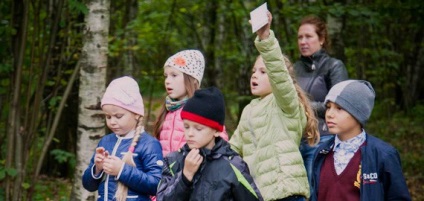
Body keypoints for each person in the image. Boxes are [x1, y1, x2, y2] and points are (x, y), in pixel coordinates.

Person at [229, 12, 319, 201]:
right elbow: (233, 149)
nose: (254, 75)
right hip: (258, 194)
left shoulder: (285, 102)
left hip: (286, 192)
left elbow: (278, 73)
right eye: (254, 71)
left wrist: (265, 39)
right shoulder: (249, 109)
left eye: (263, 72)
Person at [310, 80, 411, 201]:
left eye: (339, 108)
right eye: (328, 107)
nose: (329, 114)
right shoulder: (321, 152)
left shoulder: (383, 155)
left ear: (358, 113)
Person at [156, 87, 263, 201]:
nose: (190, 133)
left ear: (217, 131)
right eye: (186, 127)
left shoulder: (233, 165)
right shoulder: (173, 161)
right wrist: (185, 177)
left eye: (198, 128)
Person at [82, 76, 164, 201]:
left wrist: (121, 170)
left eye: (118, 116)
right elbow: (88, 185)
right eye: (108, 117)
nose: (112, 122)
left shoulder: (149, 144)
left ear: (136, 114)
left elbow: (157, 185)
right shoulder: (105, 141)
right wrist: (97, 169)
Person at [294, 15, 349, 186]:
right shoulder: (293, 68)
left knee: (316, 192)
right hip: (293, 141)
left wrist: (303, 107)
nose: (303, 41)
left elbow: (340, 106)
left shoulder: (333, 66)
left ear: (322, 39)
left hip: (322, 139)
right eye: (300, 37)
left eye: (308, 36)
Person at [153, 50, 228, 157]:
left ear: (192, 79)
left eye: (174, 75)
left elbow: (220, 141)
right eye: (166, 76)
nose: (167, 81)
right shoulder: (167, 111)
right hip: (166, 172)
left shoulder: (204, 109)